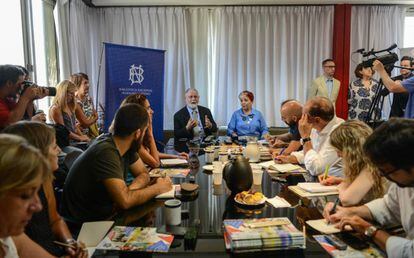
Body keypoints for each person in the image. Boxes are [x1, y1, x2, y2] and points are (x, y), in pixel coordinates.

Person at [61, 104, 172, 226]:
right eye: (145, 131)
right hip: (85, 226)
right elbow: (125, 201)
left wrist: (129, 191)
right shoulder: (106, 151)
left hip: (105, 216)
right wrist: (158, 188)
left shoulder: (125, 145)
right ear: (137, 133)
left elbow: (143, 173)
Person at [323, 118, 414, 258]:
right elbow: (388, 206)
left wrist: (370, 230)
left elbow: (410, 251)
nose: (384, 176)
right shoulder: (403, 182)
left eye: (388, 172)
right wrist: (348, 212)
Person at [2, 121, 86, 257]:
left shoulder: (11, 236)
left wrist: (69, 242)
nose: (38, 206)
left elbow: (55, 219)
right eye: (24, 195)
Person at [319, 120, 385, 206]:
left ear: (351, 151)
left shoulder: (372, 166)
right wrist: (340, 181)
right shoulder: (371, 162)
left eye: (339, 151)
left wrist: (343, 185)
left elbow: (347, 200)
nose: (339, 156)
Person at [276, 97, 344, 177]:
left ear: (317, 120)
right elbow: (310, 152)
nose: (301, 120)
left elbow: (316, 168)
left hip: (335, 183)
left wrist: (305, 138)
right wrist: (290, 158)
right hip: (321, 181)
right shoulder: (316, 126)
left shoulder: (339, 132)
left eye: (304, 116)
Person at [121, 93, 188, 168]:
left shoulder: (139, 132)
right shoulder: (132, 137)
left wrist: (176, 156)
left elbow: (152, 153)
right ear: (138, 112)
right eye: (148, 108)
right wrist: (150, 133)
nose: (152, 111)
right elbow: (156, 163)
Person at [0, 65, 48, 129]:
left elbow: (25, 118)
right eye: (20, 84)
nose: (22, 87)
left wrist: (30, 99)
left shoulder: (8, 100)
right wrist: (25, 97)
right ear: (9, 83)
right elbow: (11, 123)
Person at [49, 80, 90, 144]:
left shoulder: (70, 105)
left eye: (73, 93)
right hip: (64, 142)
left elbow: (74, 126)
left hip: (73, 140)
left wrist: (82, 136)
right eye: (71, 93)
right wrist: (80, 138)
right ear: (63, 92)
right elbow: (63, 132)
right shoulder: (56, 108)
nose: (73, 96)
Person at [70, 73, 99, 138]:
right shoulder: (75, 102)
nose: (88, 85)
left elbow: (92, 114)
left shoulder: (88, 98)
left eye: (88, 83)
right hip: (81, 137)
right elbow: (85, 123)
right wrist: (95, 118)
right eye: (85, 83)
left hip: (92, 134)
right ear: (77, 85)